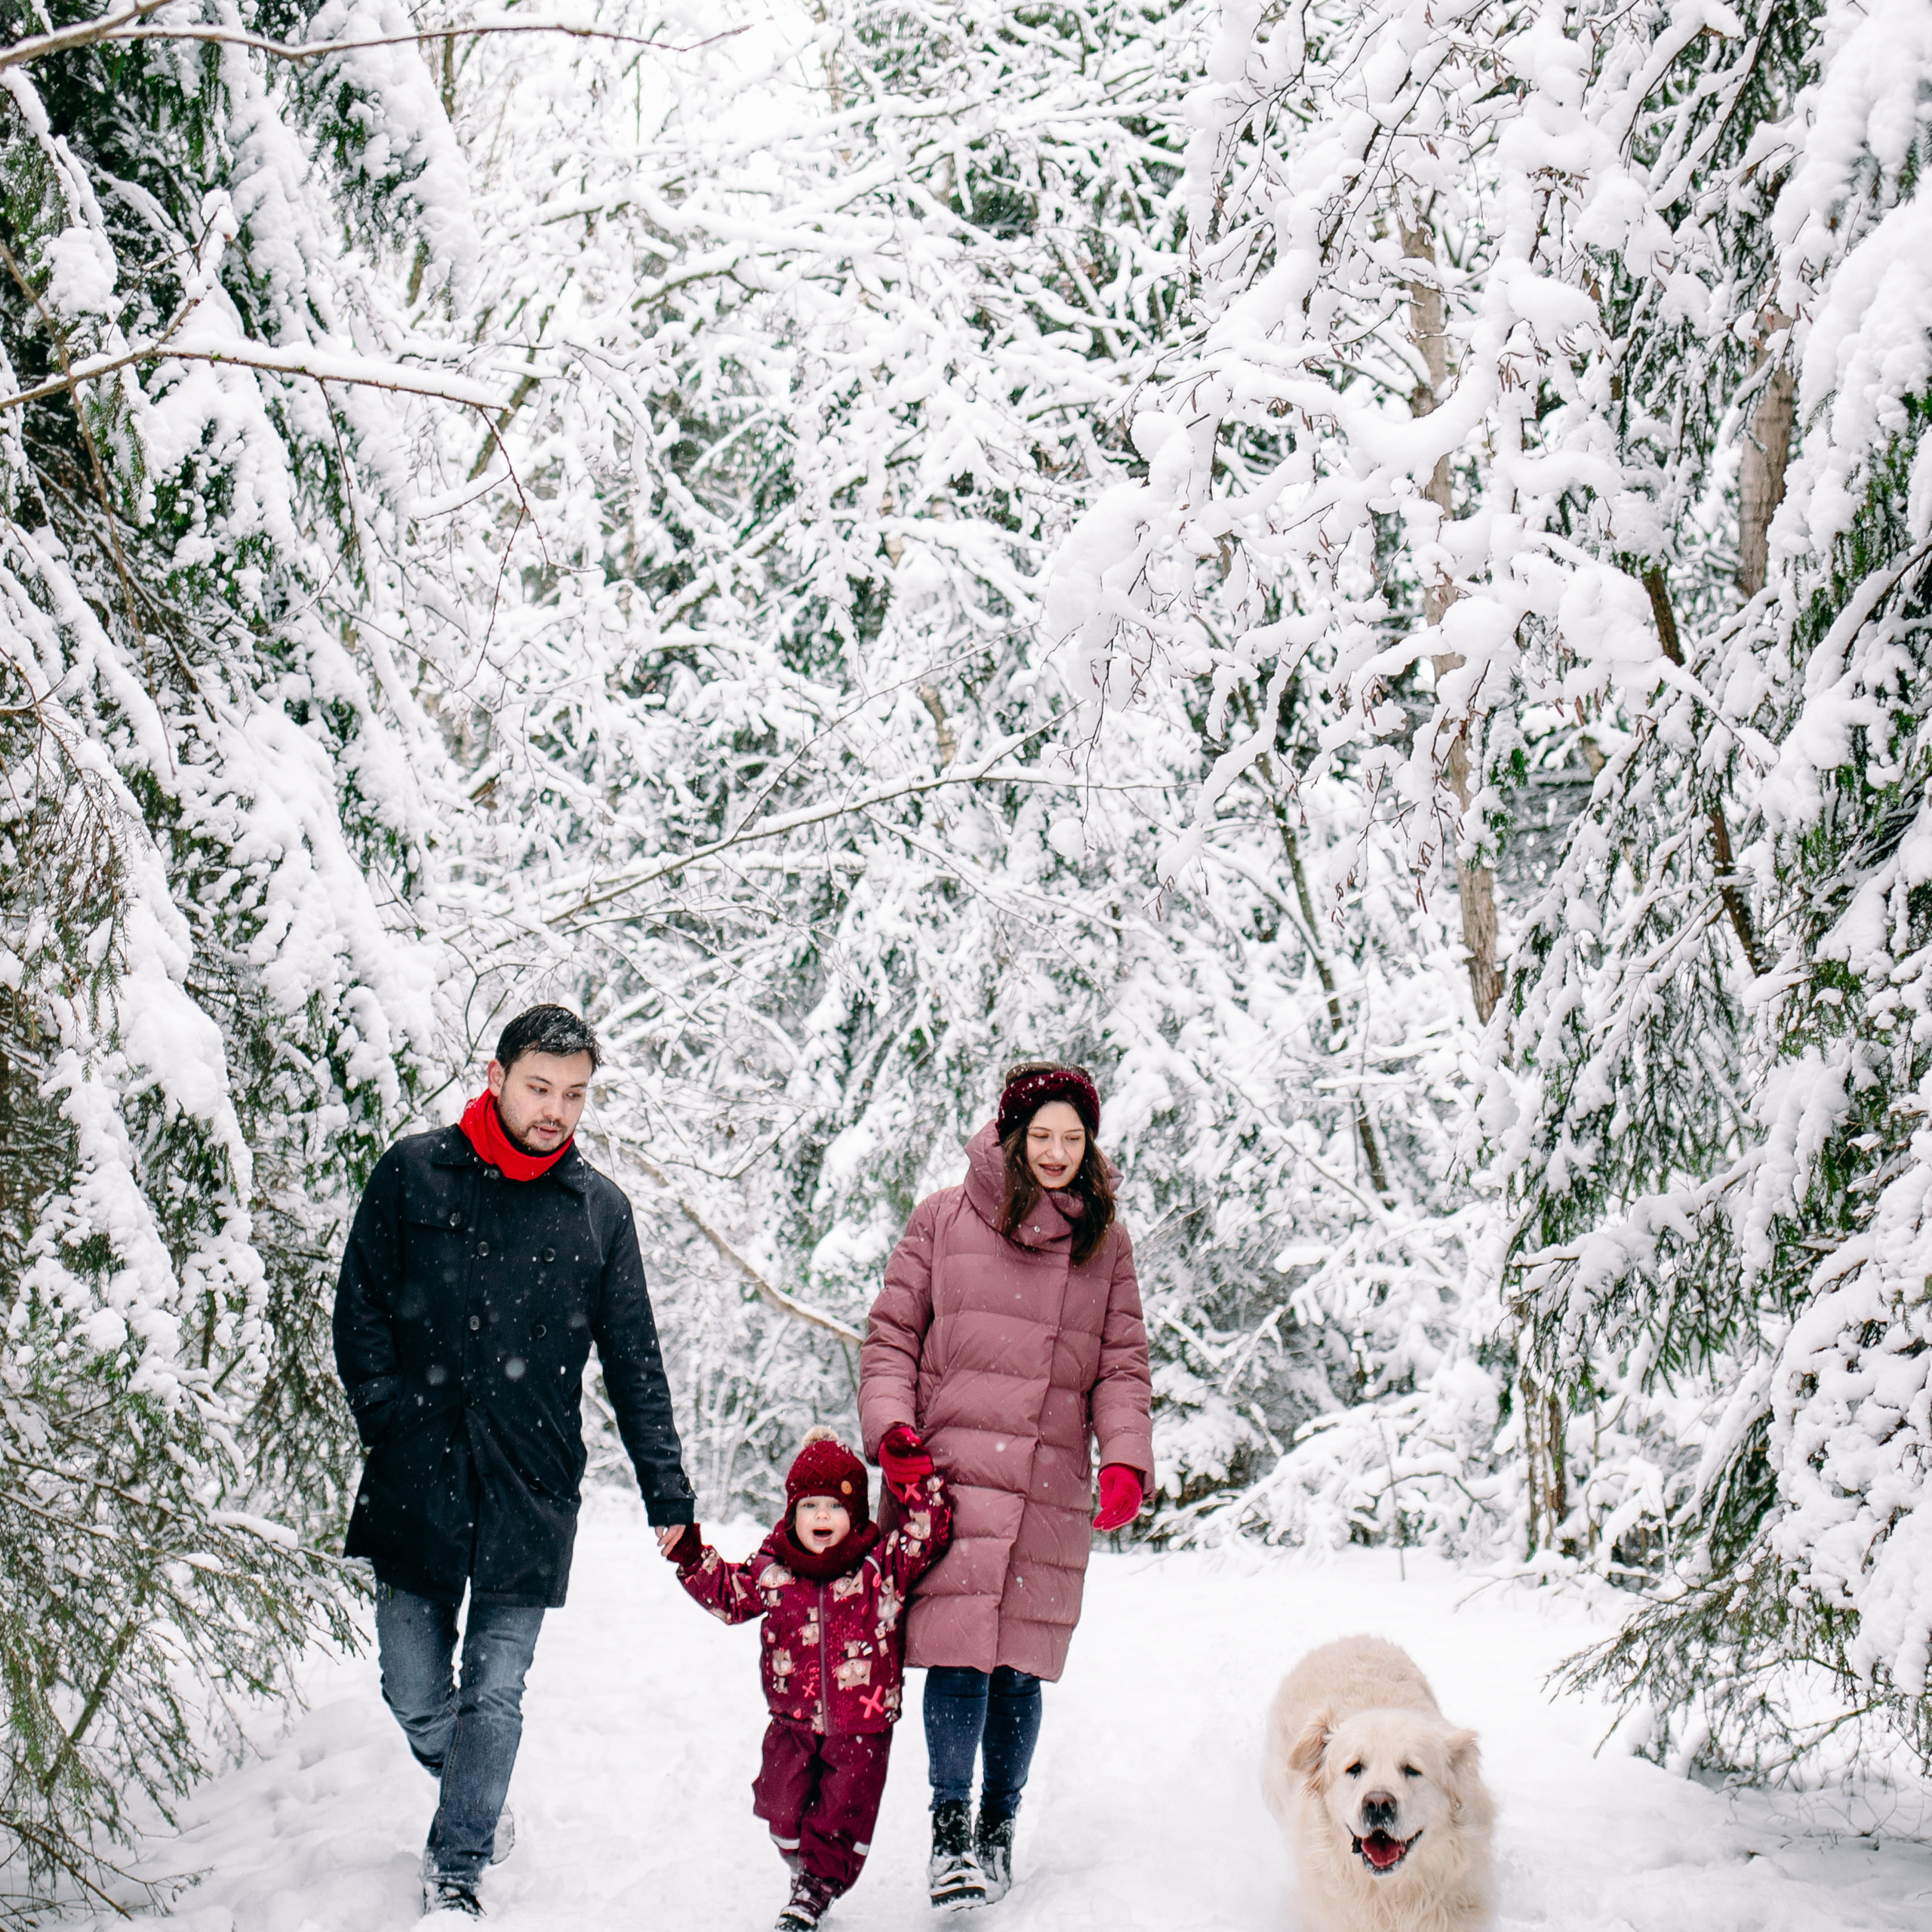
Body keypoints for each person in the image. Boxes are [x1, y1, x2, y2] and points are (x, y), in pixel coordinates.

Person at [333, 1004, 696, 1918]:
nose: (557, 1110)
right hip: (419, 1471)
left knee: (496, 1688)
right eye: (540, 1087)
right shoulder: (414, 1172)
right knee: (412, 1685)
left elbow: (634, 1361)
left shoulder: (598, 1210)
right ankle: (475, 1799)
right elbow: (360, 1309)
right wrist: (390, 1416)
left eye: (574, 1095)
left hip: (532, 1480)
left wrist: (668, 1490)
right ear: (497, 1077)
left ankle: (457, 1865)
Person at [858, 1061, 1153, 1911]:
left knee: (1017, 1665)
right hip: (950, 1472)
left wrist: (1125, 1454)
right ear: (1013, 1136)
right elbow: (891, 1340)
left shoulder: (1106, 1240)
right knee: (957, 1654)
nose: (1058, 1152)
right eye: (1043, 1135)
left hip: (1046, 1474)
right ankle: (950, 1832)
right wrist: (895, 1431)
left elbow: (1121, 1363)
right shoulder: (943, 1219)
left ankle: (997, 1824)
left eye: (1073, 1137)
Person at [665, 1427, 954, 1932]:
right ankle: (805, 1864)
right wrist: (692, 1554)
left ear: (856, 1514)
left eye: (836, 1507)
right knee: (779, 1805)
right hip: (791, 1721)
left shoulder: (878, 1567)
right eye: (810, 1507)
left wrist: (913, 1481)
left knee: (842, 1813)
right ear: (791, 1513)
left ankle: (817, 1887)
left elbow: (926, 1533)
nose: (822, 1517)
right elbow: (730, 1595)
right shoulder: (774, 1570)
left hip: (861, 1726)